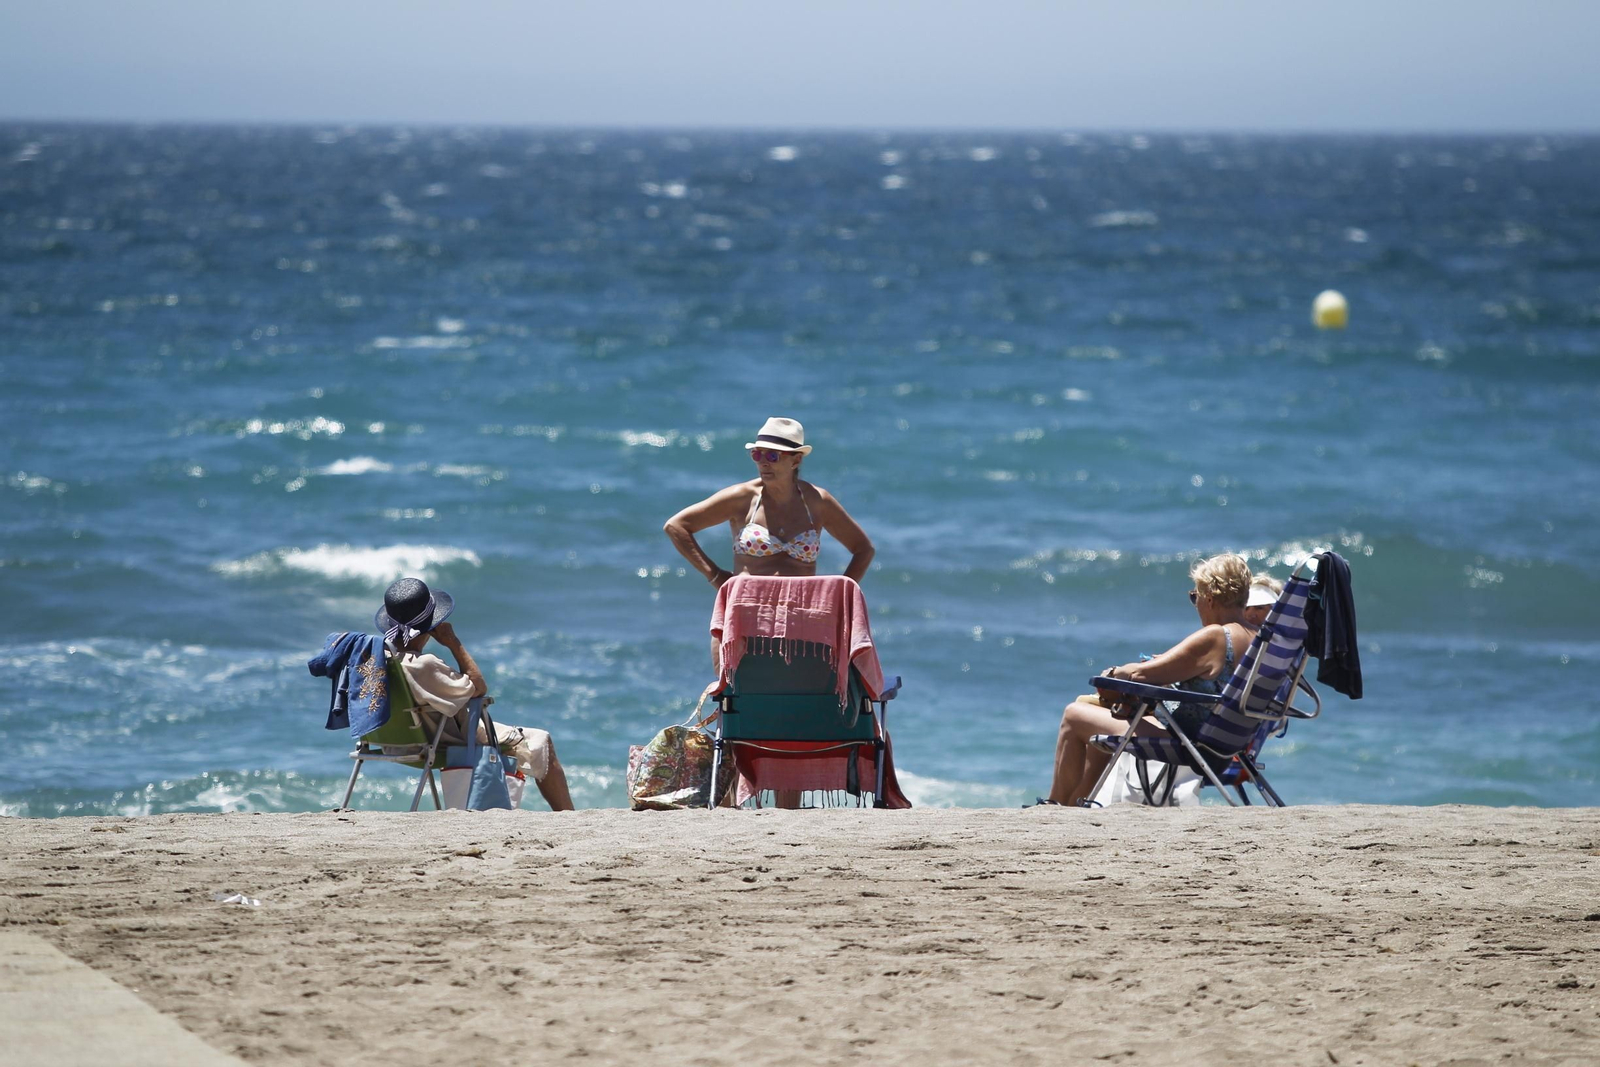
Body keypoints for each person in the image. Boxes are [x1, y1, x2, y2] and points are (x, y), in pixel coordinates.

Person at [1043, 554, 1259, 807]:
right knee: (1094, 719)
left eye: (1195, 597)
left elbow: (1137, 676)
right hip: (1230, 742)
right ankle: (1077, 803)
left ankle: (1054, 804)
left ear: (1209, 598)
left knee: (1074, 715)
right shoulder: (1259, 639)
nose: (1196, 604)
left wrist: (1114, 672)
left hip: (1192, 743)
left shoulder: (1215, 637)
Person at [377, 577, 575, 811]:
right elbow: (478, 687)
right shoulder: (423, 665)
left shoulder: (377, 661)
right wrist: (453, 643)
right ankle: (568, 816)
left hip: (389, 742)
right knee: (541, 740)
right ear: (430, 627)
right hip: (436, 743)